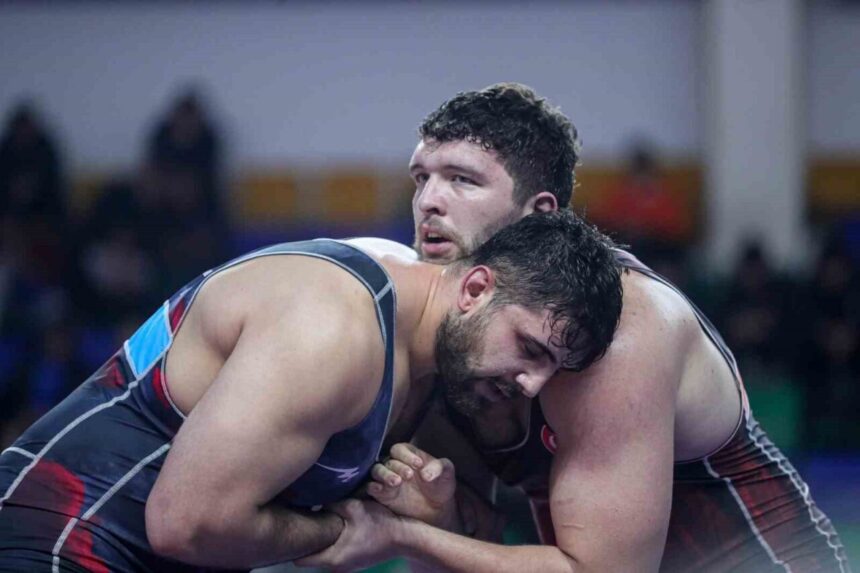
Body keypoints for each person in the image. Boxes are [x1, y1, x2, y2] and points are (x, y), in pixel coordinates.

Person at [297, 83, 852, 572]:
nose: (428, 202)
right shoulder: (455, 327)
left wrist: (401, 535)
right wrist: (433, 518)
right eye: (422, 178)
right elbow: (469, 542)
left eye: (462, 180)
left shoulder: (616, 325)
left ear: (539, 211)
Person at [0, 210, 623, 572]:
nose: (531, 384)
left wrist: (417, 520)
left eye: (552, 370)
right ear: (476, 289)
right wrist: (349, 529)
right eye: (531, 349)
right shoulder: (336, 329)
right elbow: (186, 524)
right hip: (55, 543)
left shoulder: (430, 353)